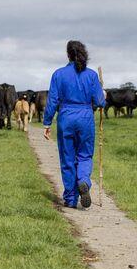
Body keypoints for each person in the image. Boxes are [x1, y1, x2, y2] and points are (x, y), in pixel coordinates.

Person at [43, 40, 105, 209]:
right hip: (85, 117)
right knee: (84, 155)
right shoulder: (92, 75)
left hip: (66, 118)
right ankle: (84, 180)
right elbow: (100, 102)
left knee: (67, 158)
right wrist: (103, 93)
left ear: (68, 55)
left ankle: (71, 198)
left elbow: (52, 101)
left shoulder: (58, 74)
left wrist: (47, 123)